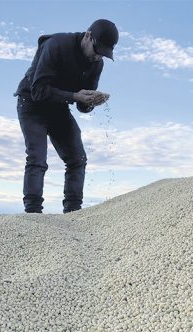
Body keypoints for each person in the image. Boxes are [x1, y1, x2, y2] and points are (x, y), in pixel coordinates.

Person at [14, 19, 119, 214]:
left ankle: (73, 213)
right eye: (97, 50)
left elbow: (81, 106)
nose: (98, 57)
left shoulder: (97, 64)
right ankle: (33, 214)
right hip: (31, 102)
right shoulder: (56, 45)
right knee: (37, 157)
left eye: (103, 54)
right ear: (88, 36)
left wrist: (91, 102)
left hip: (58, 106)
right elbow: (38, 91)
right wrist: (74, 96)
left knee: (77, 158)